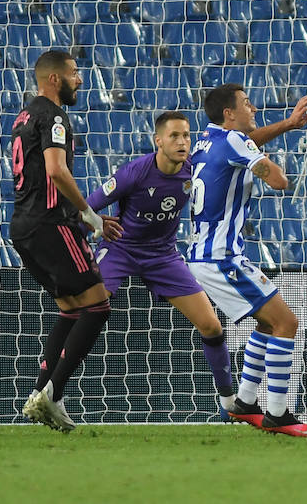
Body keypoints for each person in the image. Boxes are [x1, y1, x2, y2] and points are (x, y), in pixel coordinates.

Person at [85, 111, 236, 417]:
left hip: (163, 256)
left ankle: (230, 404)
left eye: (186, 136)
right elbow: (86, 206)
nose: (182, 142)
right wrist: (98, 223)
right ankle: (51, 390)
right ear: (158, 141)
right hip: (121, 248)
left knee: (211, 325)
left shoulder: (193, 168)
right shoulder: (134, 172)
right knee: (87, 313)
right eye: (174, 136)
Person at [187, 84, 307, 437]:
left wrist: (288, 125)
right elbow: (279, 180)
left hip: (207, 254)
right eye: (246, 104)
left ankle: (245, 401)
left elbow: (246, 141)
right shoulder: (236, 143)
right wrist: (268, 168)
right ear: (229, 114)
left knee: (267, 323)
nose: (254, 108)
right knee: (286, 323)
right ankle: (278, 413)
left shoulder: (205, 142)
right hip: (221, 258)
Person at [12, 50, 123, 432]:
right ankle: (52, 395)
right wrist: (88, 214)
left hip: (24, 227)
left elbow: (41, 178)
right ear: (55, 79)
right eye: (75, 73)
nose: (80, 80)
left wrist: (84, 216)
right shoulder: (54, 115)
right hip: (49, 225)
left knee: (71, 308)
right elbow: (57, 172)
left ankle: (41, 394)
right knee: (98, 306)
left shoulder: (25, 115)